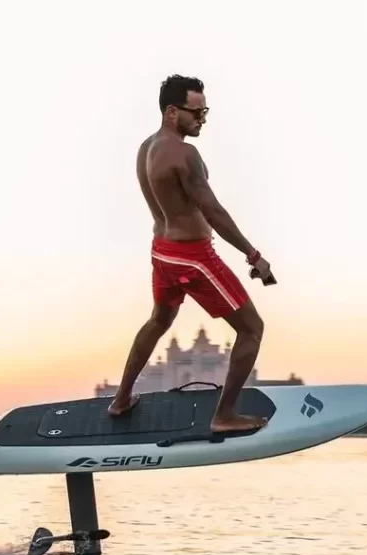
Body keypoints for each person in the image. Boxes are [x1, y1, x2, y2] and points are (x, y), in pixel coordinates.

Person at [106, 74, 276, 433]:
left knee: (159, 321)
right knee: (252, 329)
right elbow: (212, 211)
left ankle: (121, 399)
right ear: (172, 112)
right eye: (196, 113)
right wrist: (253, 254)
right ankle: (225, 416)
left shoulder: (145, 149)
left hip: (163, 253)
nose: (202, 119)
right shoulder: (185, 154)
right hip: (193, 256)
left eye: (205, 111)